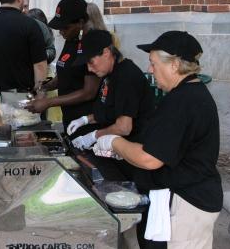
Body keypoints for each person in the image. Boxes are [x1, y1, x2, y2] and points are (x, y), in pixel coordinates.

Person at [93, 31, 222, 249]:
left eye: (153, 63)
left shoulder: (183, 101)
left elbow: (150, 159)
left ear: (174, 65)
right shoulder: (185, 94)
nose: (149, 70)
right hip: (181, 196)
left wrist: (113, 141)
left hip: (188, 202)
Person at [67, 29, 155, 180]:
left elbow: (124, 127)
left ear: (106, 52)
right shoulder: (109, 73)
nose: (89, 68)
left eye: (91, 62)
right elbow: (110, 110)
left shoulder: (127, 76)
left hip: (133, 155)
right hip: (117, 154)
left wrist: (94, 136)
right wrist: (85, 120)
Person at [26, 0, 101, 139]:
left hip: (86, 121)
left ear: (80, 23)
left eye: (65, 27)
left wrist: (49, 102)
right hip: (69, 117)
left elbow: (89, 92)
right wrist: (44, 87)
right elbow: (65, 74)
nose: (61, 32)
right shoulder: (71, 41)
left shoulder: (92, 44)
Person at [22, 0, 56, 64]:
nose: (23, 10)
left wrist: (39, 55)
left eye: (25, 6)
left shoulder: (40, 26)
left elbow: (51, 50)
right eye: (20, 6)